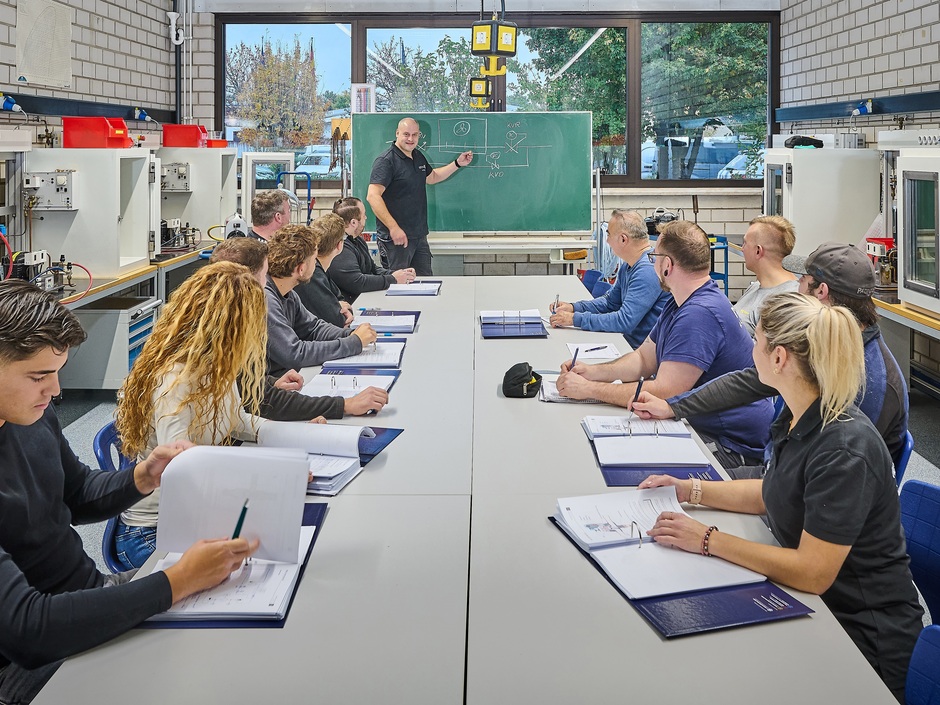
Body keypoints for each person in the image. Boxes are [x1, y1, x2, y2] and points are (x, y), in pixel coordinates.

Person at [640, 292, 923, 703]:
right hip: (815, 607)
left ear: (779, 358)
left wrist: (708, 539)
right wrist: (691, 491)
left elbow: (812, 572)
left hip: (861, 642)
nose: (749, 347)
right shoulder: (801, 414)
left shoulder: (844, 447)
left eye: (756, 339)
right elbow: (773, 491)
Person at [0, 279, 256, 703]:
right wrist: (178, 580)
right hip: (33, 655)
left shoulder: (30, 415)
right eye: (39, 376)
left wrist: (145, 474)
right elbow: (28, 631)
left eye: (57, 373)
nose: (56, 391)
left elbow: (77, 492)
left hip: (89, 595)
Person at [633, 241, 909, 471]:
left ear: (821, 292)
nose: (796, 285)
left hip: (814, 498)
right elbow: (747, 382)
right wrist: (673, 406)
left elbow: (836, 478)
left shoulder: (872, 382)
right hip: (783, 470)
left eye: (802, 280)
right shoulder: (818, 340)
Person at [114, 262, 313, 570]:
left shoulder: (216, 364)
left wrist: (296, 437)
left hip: (195, 513)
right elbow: (182, 468)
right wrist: (273, 479)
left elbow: (237, 421)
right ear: (229, 329)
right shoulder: (176, 381)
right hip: (151, 533)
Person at [556, 220, 773, 467]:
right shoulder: (680, 299)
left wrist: (589, 390)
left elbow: (665, 391)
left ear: (667, 265)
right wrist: (593, 372)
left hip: (728, 445)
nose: (652, 262)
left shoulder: (699, 313)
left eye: (654, 256)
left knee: (621, 463)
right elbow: (644, 359)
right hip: (701, 425)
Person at [209, 238, 388, 420]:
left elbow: (244, 385)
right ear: (245, 282)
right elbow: (264, 397)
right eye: (264, 275)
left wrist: (269, 383)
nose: (265, 285)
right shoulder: (254, 310)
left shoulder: (224, 318)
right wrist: (344, 405)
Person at [265, 223, 377, 376]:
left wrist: (351, 334)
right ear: (301, 268)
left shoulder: (288, 292)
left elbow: (314, 327)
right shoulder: (266, 300)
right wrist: (354, 342)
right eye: (314, 260)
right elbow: (295, 353)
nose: (316, 264)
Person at [548, 209, 671, 348]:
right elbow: (610, 303)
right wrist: (574, 307)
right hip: (627, 345)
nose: (607, 240)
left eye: (609, 235)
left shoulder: (647, 270)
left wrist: (575, 319)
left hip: (636, 353)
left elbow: (624, 321)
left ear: (623, 239)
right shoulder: (628, 265)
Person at [367, 117, 473, 276]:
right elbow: (373, 196)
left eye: (415, 135)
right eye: (406, 134)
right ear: (397, 133)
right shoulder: (386, 161)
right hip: (396, 240)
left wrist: (457, 163)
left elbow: (433, 177)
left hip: (419, 237)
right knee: (399, 287)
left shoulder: (417, 156)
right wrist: (393, 228)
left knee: (426, 284)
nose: (410, 139)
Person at [327, 196, 415, 302]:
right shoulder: (340, 248)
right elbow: (358, 282)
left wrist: (399, 274)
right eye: (364, 215)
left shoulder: (357, 241)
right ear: (354, 222)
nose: (366, 218)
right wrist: (393, 279)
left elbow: (372, 269)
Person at [732, 215, 799, 335]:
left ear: (758, 251)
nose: (742, 249)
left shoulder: (786, 301)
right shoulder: (756, 286)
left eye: (745, 243)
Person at [295, 213, 355, 328]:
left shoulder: (320, 270)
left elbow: (340, 300)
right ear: (339, 245)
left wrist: (339, 305)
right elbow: (338, 320)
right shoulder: (312, 275)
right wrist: (340, 307)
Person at [226, 189, 291, 242]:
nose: (289, 217)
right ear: (278, 217)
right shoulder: (272, 255)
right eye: (288, 211)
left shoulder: (242, 250)